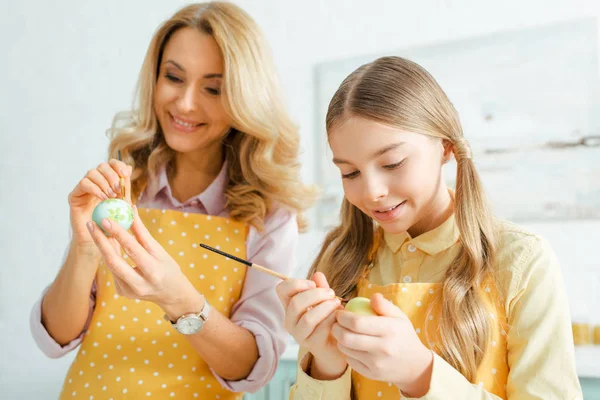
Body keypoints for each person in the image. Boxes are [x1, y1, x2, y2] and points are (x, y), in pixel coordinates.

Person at [30, 2, 316, 399]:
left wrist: (179, 300)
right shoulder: (123, 185)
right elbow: (56, 337)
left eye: (213, 88)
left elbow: (254, 368)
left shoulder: (269, 216)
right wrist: (84, 251)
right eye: (174, 77)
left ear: (244, 99)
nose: (184, 103)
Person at [277, 56, 583, 399]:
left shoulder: (521, 261)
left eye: (392, 163)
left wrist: (419, 373)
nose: (371, 191)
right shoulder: (341, 261)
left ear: (445, 147)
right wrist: (326, 365)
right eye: (350, 173)